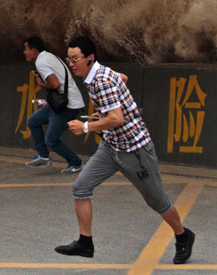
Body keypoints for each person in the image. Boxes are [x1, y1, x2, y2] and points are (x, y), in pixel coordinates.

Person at [55, 36, 195, 264]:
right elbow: (123, 78)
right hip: (111, 147)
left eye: (75, 59)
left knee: (158, 202)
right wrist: (103, 110)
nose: (71, 64)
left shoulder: (101, 80)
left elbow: (117, 118)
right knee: (80, 187)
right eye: (68, 59)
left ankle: (182, 235)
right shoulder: (96, 75)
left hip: (135, 151)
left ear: (90, 58)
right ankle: (85, 242)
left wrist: (86, 127)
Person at [23, 37, 85, 173]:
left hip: (67, 105)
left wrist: (41, 84)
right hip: (58, 103)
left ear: (34, 51)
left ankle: (77, 163)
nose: (24, 52)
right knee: (33, 121)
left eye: (26, 49)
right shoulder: (48, 56)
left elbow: (55, 84)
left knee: (51, 140)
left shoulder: (41, 62)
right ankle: (44, 157)